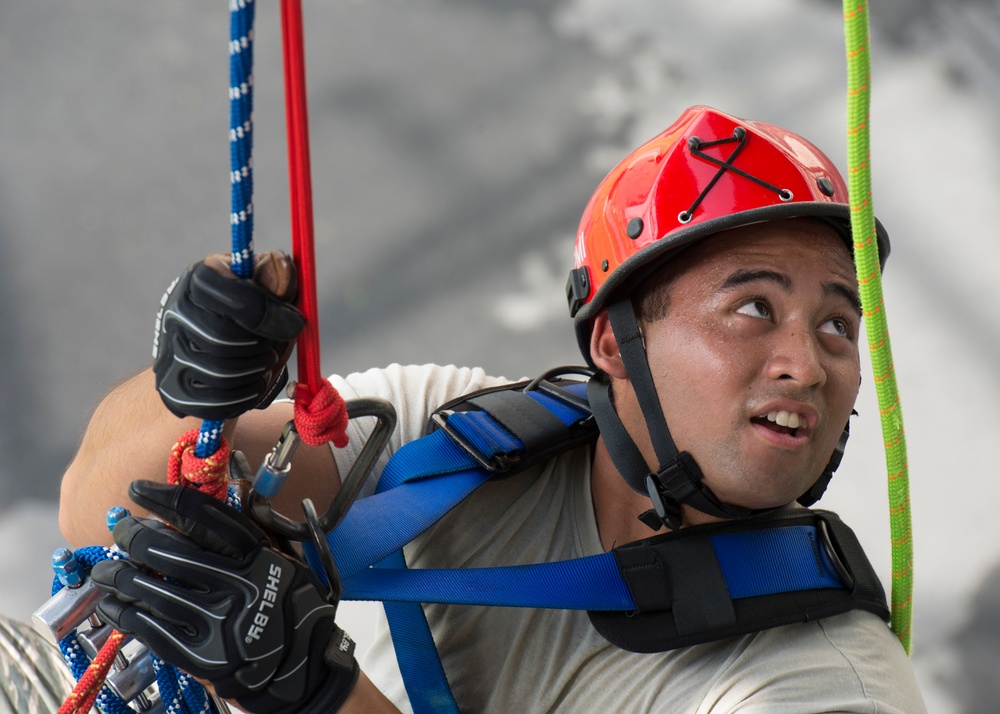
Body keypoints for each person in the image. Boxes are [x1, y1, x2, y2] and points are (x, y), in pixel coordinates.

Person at [58, 105, 927, 713]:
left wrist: (318, 696)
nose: (806, 364)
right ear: (615, 344)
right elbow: (95, 507)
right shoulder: (450, 442)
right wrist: (196, 388)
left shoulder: (825, 689)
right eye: (753, 308)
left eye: (838, 325)